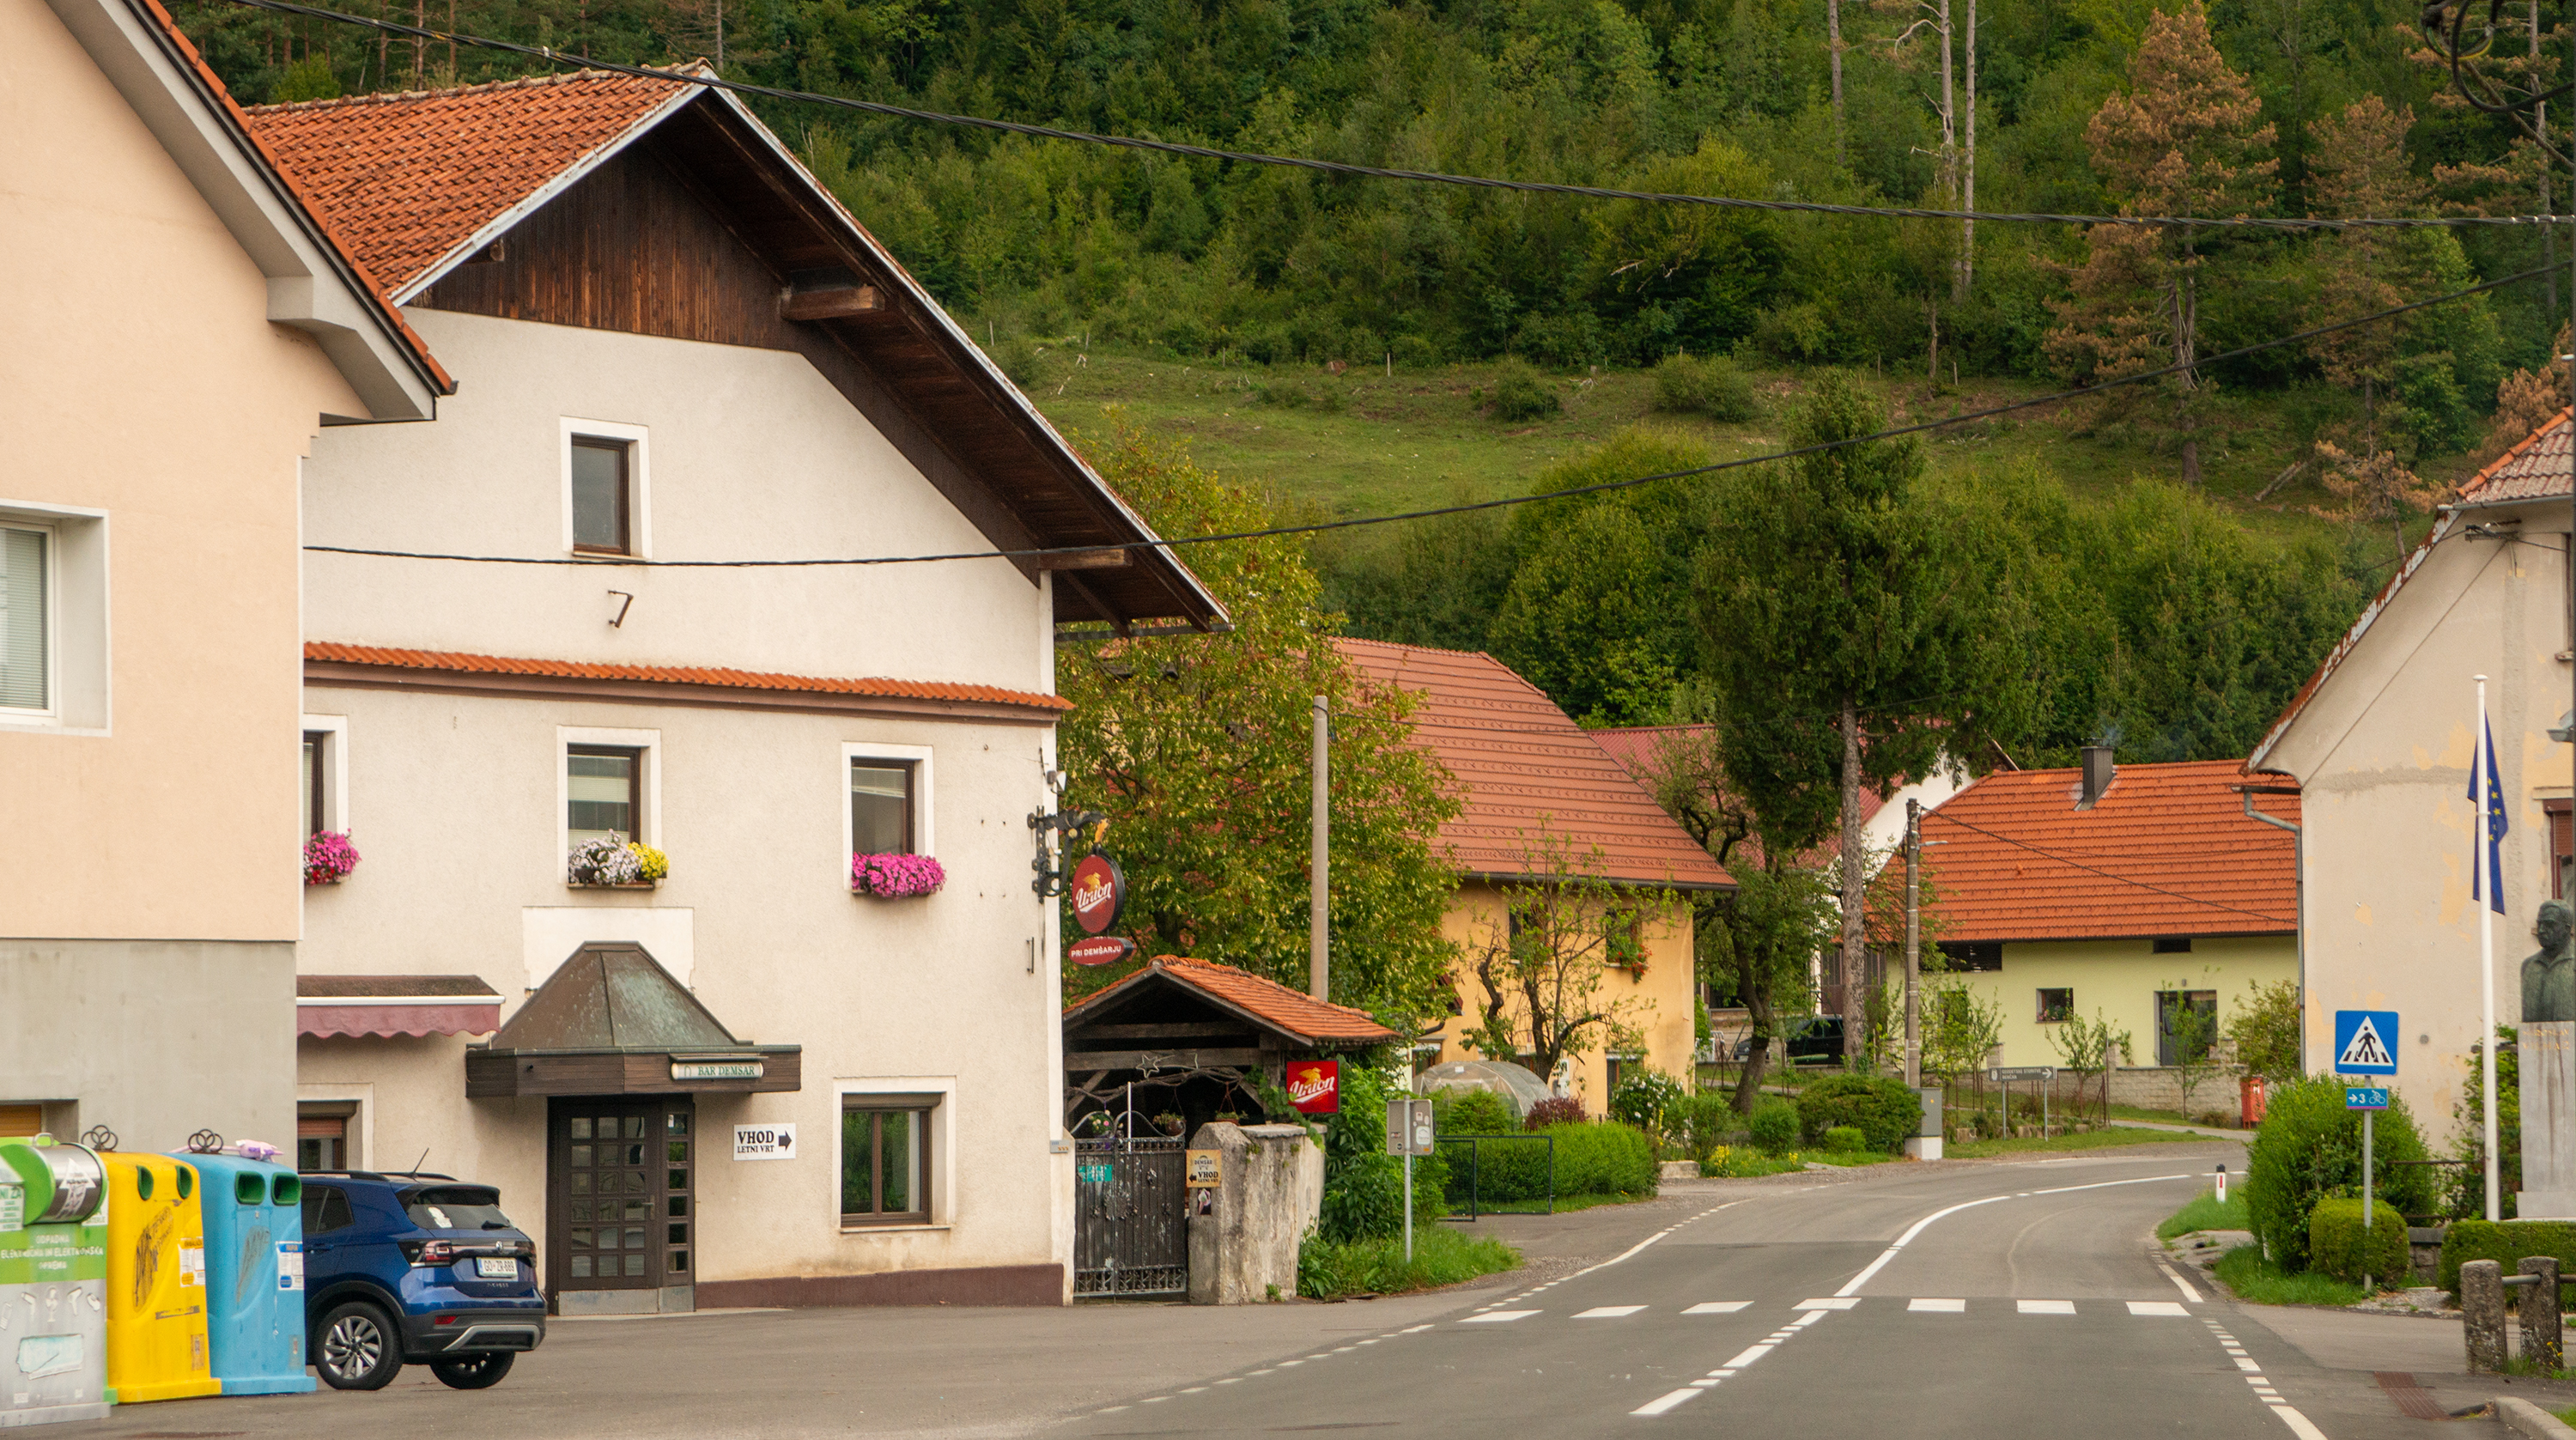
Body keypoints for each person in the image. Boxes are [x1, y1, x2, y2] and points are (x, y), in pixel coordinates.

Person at [2524, 900, 2576, 1024]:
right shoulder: (2528, 966)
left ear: (2566, 929)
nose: (2541, 930)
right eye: (2539, 924)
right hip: (2534, 1040)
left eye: (2549, 924)